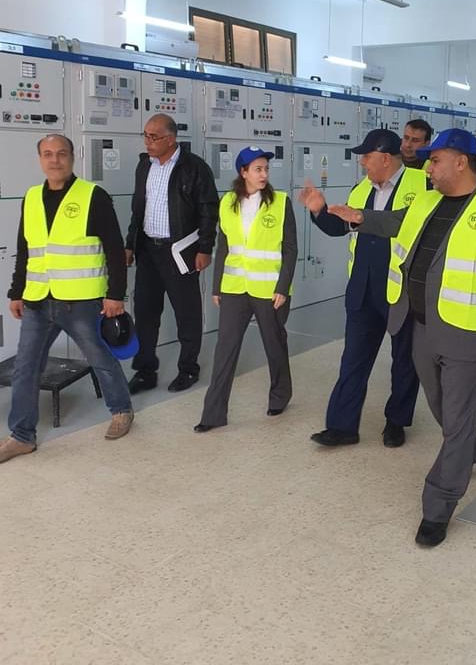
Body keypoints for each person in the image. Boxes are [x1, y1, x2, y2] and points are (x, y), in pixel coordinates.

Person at [326, 128, 476, 547]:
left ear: (461, 162)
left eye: (435, 160)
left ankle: (439, 504)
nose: (427, 167)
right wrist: (359, 216)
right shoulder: (427, 201)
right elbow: (396, 222)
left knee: (456, 416)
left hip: (465, 332)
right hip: (419, 325)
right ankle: (471, 447)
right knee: (442, 407)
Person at [0, 135, 134, 463]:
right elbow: (26, 249)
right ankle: (21, 436)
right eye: (47, 154)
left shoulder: (93, 196)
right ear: (40, 159)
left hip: (81, 301)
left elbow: (114, 250)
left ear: (73, 157)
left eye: (61, 154)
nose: (54, 160)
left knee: (101, 359)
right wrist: (16, 292)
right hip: (38, 301)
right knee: (25, 367)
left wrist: (115, 295)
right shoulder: (31, 197)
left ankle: (121, 410)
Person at [299, 128, 428, 448]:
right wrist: (319, 209)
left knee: (404, 361)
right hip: (363, 289)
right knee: (353, 360)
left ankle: (396, 422)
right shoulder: (361, 189)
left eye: (367, 156)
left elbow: (413, 227)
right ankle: (342, 426)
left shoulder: (422, 185)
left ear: (385, 158)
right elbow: (341, 226)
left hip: (401, 291)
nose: (362, 162)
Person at [194, 148, 297, 431]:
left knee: (274, 345)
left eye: (266, 169)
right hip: (234, 288)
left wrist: (283, 287)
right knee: (224, 350)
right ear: (243, 172)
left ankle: (280, 395)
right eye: (258, 169)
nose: (264, 174)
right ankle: (212, 416)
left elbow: (290, 249)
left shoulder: (280, 202)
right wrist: (217, 286)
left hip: (269, 289)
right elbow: (224, 246)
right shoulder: (227, 202)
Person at [126, 115, 219, 394]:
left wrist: (205, 248)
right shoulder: (144, 166)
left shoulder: (194, 168)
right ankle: (145, 371)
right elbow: (137, 210)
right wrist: (130, 244)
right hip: (147, 250)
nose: (148, 141)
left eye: (154, 137)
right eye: (145, 135)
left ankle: (188, 369)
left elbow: (208, 210)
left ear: (171, 139)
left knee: (187, 313)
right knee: (144, 312)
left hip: (180, 251)